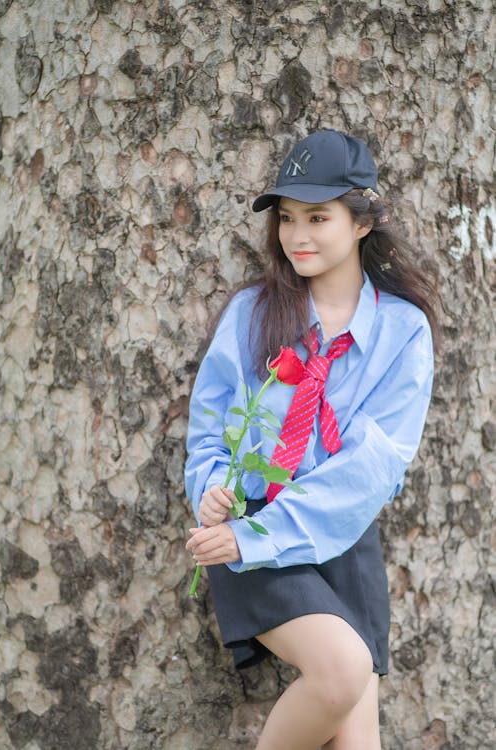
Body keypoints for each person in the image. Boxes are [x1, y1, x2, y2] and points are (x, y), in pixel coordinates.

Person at [185, 128, 438, 750]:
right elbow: (211, 430)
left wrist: (248, 533)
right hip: (250, 529)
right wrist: (214, 492)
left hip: (343, 535)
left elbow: (371, 467)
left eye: (318, 217)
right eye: (287, 218)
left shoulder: (403, 333)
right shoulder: (252, 314)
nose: (297, 236)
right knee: (340, 671)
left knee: (358, 741)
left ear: (361, 222)